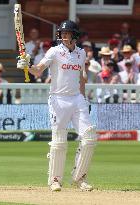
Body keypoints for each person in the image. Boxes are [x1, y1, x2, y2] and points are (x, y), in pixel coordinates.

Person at [17, 20, 97, 192]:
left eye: (67, 33)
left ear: (75, 35)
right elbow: (38, 70)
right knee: (59, 140)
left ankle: (79, 177)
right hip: (58, 99)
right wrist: (27, 66)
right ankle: (55, 179)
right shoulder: (54, 51)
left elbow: (81, 77)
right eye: (62, 33)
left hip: (77, 99)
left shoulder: (81, 54)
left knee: (89, 137)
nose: (64, 36)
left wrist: (84, 99)